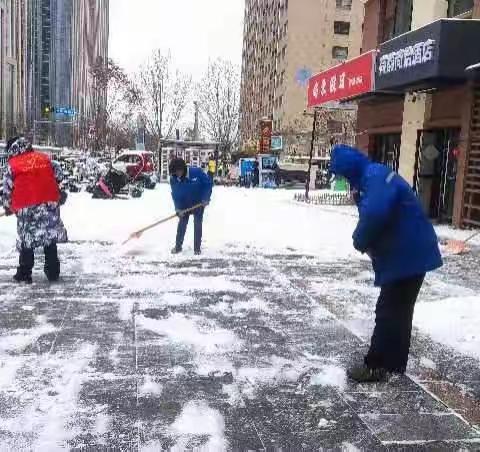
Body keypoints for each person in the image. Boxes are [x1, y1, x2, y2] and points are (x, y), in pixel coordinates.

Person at [330, 144, 443, 383]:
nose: (341, 178)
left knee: (388, 311)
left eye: (341, 173)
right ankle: (394, 364)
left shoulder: (374, 176)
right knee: (400, 310)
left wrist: (359, 239)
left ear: (348, 169)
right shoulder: (371, 176)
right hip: (410, 252)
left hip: (407, 254)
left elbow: (376, 213)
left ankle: (375, 366)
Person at [2, 137, 68, 284]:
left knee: (27, 239)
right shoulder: (44, 158)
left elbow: (7, 189)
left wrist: (8, 206)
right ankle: (52, 271)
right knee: (49, 236)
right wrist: (61, 193)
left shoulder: (12, 165)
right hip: (49, 202)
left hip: (26, 206)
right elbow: (60, 176)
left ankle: (24, 274)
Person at [169, 158, 213, 255]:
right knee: (181, 225)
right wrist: (177, 208)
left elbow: (208, 184)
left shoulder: (196, 172)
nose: (177, 174)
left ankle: (197, 249)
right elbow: (175, 195)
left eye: (179, 171)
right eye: (175, 173)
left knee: (197, 224)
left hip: (198, 204)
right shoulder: (173, 179)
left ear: (183, 169)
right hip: (184, 205)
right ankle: (178, 247)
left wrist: (206, 198)